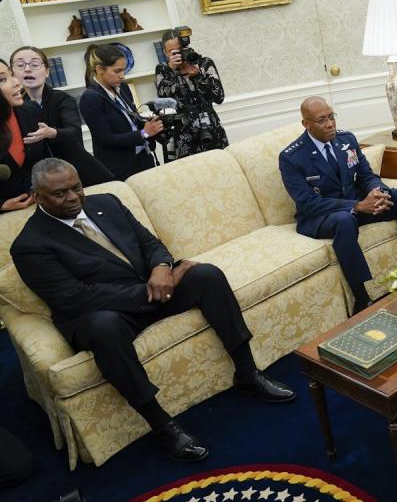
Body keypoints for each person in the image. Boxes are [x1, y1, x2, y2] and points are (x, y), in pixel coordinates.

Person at [10, 158, 296, 462]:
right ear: (38, 196)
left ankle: (248, 373)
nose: (73, 198)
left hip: (152, 287)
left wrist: (162, 268)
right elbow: (76, 298)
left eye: (76, 187)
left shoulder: (106, 202)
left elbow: (149, 243)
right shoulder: (30, 244)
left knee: (206, 275)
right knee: (104, 329)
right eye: (60, 194)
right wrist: (154, 291)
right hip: (103, 312)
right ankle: (162, 425)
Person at [279, 96, 397, 312]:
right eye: (322, 120)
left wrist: (377, 192)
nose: (330, 123)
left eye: (331, 116)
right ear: (306, 124)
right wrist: (357, 206)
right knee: (345, 219)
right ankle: (361, 298)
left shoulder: (346, 140)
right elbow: (308, 203)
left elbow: (365, 175)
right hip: (322, 216)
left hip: (360, 206)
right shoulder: (292, 157)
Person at [9, 47, 113, 186]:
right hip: (41, 179)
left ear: (46, 72)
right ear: (12, 74)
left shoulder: (63, 99)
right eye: (20, 65)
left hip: (77, 171)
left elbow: (74, 132)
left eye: (34, 65)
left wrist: (52, 133)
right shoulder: (14, 107)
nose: (27, 69)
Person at [79, 44, 162, 181]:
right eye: (117, 71)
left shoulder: (123, 87)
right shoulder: (90, 98)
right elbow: (107, 139)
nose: (122, 76)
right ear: (99, 69)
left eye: (123, 70)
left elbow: (130, 120)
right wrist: (144, 133)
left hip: (143, 158)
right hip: (120, 168)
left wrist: (151, 124)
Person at [154, 29, 228, 160]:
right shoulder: (163, 70)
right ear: (165, 53)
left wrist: (199, 76)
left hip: (211, 128)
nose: (179, 54)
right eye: (173, 52)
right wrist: (172, 70)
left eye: (180, 49)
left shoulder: (204, 63)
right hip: (183, 134)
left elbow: (219, 96)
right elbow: (163, 100)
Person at [0, 57, 43, 212]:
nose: (16, 82)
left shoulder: (30, 110)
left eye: (12, 74)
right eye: (2, 80)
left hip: (42, 206)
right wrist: (1, 205)